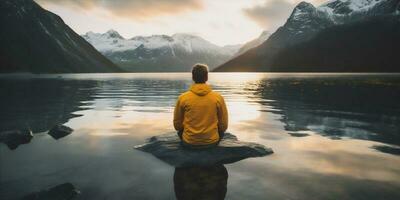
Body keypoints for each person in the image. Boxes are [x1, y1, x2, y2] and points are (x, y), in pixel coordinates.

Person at [173, 64, 228, 148]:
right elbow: (223, 125)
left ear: (193, 77)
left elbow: (177, 125)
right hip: (212, 142)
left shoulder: (183, 98)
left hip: (189, 142)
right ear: (206, 77)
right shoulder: (218, 98)